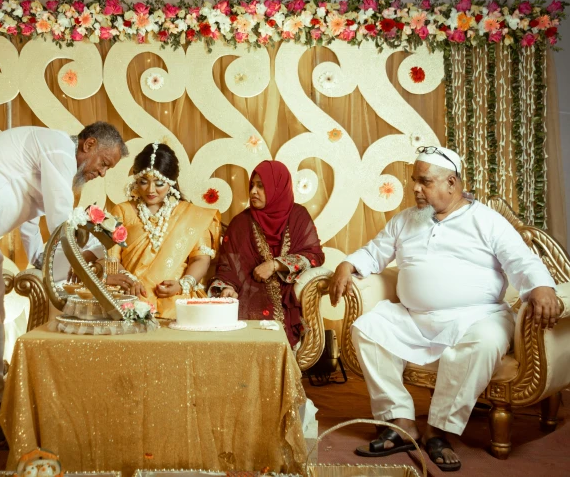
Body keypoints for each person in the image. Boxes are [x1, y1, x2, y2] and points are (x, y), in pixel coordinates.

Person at [328, 145, 562, 472]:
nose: (415, 189)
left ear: (451, 183)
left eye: (424, 181)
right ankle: (400, 422)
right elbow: (374, 252)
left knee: (485, 341)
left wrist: (541, 287)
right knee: (367, 328)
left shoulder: (485, 220)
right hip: (415, 318)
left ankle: (438, 430)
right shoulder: (406, 220)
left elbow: (521, 260)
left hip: (476, 318)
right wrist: (346, 266)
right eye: (414, 180)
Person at [0, 122, 127, 450]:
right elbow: (61, 223)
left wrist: (54, 265)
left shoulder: (49, 164)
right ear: (87, 144)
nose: (102, 173)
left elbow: (35, 239)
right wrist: (93, 272)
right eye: (104, 163)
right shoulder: (58, 145)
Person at [209, 160, 325, 347]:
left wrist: (275, 265)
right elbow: (228, 266)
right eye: (252, 185)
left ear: (278, 188)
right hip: (248, 294)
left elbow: (314, 255)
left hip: (286, 293)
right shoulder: (240, 223)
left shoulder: (298, 216)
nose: (253, 191)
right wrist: (227, 288)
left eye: (261, 186)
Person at [103, 142, 221, 319]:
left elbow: (200, 258)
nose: (150, 190)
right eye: (143, 182)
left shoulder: (192, 215)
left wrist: (183, 284)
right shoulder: (122, 211)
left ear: (171, 182)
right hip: (131, 299)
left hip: (177, 302)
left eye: (159, 183)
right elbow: (112, 259)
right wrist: (129, 280)